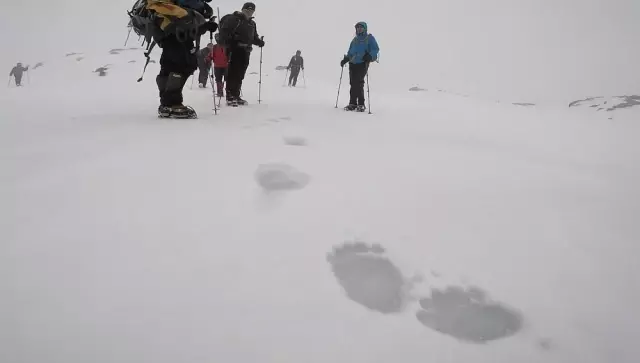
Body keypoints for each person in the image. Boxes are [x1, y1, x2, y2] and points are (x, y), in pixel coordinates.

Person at [154, 0, 217, 118]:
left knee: (169, 67)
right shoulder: (181, 6)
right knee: (183, 66)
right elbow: (187, 26)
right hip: (177, 37)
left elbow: (187, 27)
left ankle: (166, 104)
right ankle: (173, 103)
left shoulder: (169, 6)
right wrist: (205, 26)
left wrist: (204, 27)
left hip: (170, 37)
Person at [218, 2, 265, 106]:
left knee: (240, 74)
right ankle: (230, 96)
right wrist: (231, 41)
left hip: (246, 51)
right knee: (232, 72)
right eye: (247, 10)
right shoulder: (234, 19)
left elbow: (253, 38)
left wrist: (259, 42)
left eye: (252, 10)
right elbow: (224, 32)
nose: (249, 12)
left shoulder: (252, 24)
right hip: (234, 49)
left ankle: (236, 95)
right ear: (243, 9)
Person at [340, 21, 379, 112]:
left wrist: (370, 56)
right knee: (353, 83)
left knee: (358, 82)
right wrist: (346, 59)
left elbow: (375, 49)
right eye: (357, 27)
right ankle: (352, 103)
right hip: (353, 63)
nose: (359, 29)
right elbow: (350, 52)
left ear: (365, 28)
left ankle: (361, 104)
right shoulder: (355, 40)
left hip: (362, 63)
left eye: (361, 27)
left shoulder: (369, 38)